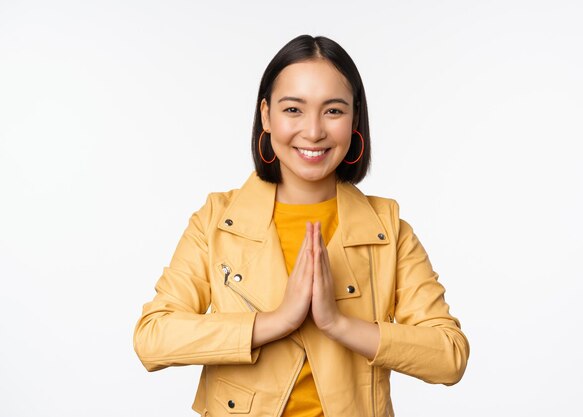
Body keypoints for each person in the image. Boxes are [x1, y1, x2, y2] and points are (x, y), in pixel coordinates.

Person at [133, 34, 469, 417]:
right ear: (266, 116)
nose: (313, 131)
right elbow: (153, 338)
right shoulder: (217, 220)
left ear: (354, 118)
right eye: (293, 109)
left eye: (333, 111)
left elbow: (449, 355)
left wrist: (338, 324)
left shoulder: (388, 230)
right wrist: (275, 322)